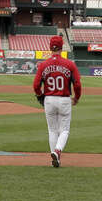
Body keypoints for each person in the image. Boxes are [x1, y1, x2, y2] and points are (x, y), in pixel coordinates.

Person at [32, 35, 81, 168]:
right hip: (64, 99)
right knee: (64, 130)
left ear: (50, 47)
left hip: (49, 99)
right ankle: (57, 151)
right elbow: (77, 84)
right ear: (62, 47)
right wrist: (76, 97)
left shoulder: (43, 65)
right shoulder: (70, 64)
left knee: (52, 130)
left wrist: (39, 95)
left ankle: (55, 157)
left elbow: (36, 85)